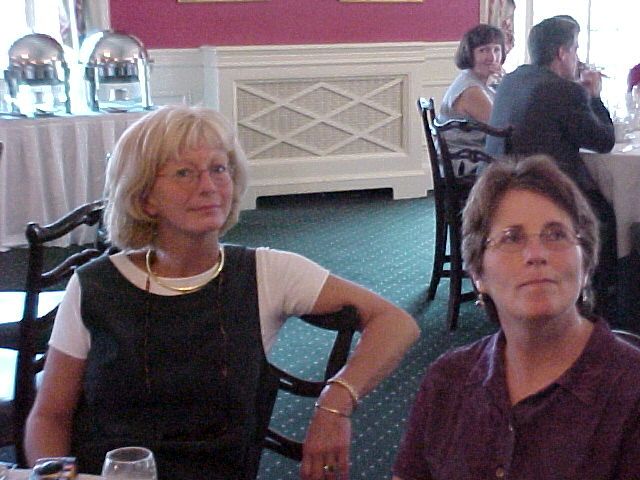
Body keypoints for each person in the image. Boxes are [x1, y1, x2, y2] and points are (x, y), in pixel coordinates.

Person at [23, 105, 420, 480]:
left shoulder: (267, 273)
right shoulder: (95, 284)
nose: (208, 186)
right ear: (145, 197)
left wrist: (335, 403)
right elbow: (49, 416)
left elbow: (395, 322)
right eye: (184, 173)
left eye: (218, 169)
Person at [392, 155, 640, 480]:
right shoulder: (448, 380)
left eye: (556, 235)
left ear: (585, 265)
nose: (536, 255)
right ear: (478, 274)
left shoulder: (631, 392)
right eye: (511, 238)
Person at [485, 16, 618, 321]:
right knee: (607, 214)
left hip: (499, 185)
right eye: (575, 50)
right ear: (562, 53)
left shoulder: (513, 79)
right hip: (544, 192)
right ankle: (603, 304)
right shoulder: (564, 91)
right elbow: (604, 141)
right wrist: (594, 96)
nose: (577, 58)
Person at [438, 24, 506, 176]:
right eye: (483, 50)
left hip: (472, 154)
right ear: (469, 54)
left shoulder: (478, 81)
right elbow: (500, 127)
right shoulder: (471, 90)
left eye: (496, 50)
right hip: (466, 163)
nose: (492, 57)